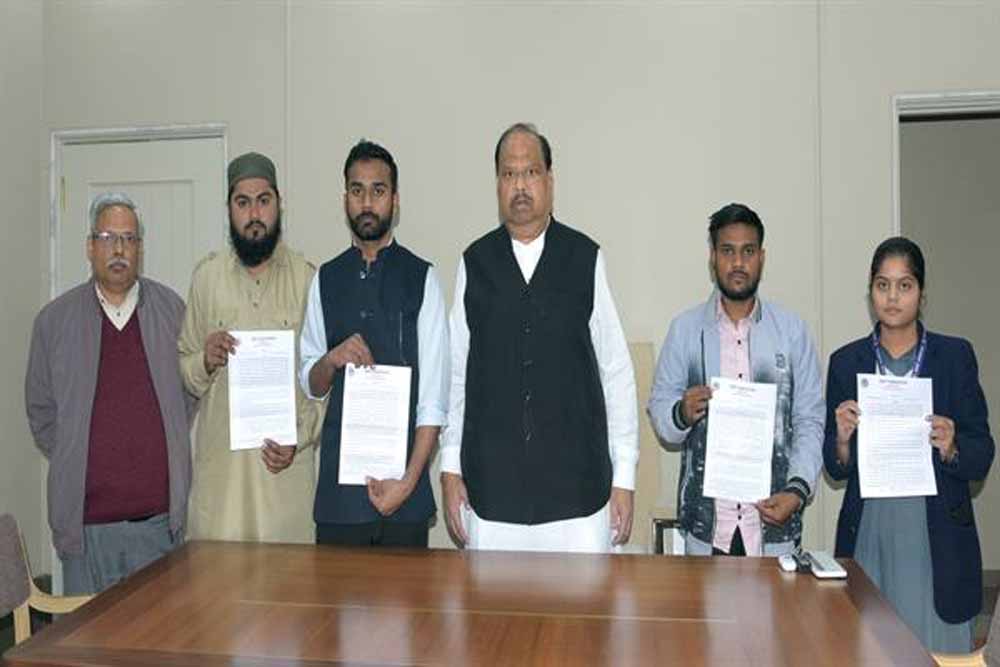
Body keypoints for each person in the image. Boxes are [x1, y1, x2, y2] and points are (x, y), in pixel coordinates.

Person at [440, 122, 638, 552]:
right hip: (493, 497)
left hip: (578, 499)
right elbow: (455, 374)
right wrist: (450, 467)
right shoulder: (475, 263)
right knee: (491, 600)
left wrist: (624, 475)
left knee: (586, 600)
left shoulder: (585, 258)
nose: (520, 186)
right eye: (508, 174)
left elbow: (616, 370)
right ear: (497, 184)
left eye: (530, 172)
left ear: (550, 179)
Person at [824, 236, 994, 653]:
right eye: (883, 285)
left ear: (921, 293)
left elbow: (982, 452)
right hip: (871, 531)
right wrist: (842, 439)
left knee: (936, 654)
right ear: (870, 292)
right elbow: (835, 465)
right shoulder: (846, 362)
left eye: (905, 285)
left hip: (934, 538)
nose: (893, 297)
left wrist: (952, 446)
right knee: (870, 650)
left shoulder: (954, 357)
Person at [25, 192, 194, 594]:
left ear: (140, 249)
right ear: (90, 247)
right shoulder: (54, 322)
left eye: (129, 239)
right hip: (85, 533)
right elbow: (41, 412)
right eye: (107, 238)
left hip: (157, 529)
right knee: (88, 635)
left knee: (157, 634)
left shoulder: (172, 312)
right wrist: (75, 453)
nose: (119, 249)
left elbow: (187, 397)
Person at [647, 203, 824, 557]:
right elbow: (661, 413)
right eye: (727, 251)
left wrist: (797, 490)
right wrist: (681, 412)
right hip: (707, 530)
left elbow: (810, 419)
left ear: (762, 257)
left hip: (774, 530)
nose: (738, 262)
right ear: (713, 258)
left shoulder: (792, 332)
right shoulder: (685, 331)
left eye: (748, 251)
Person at [299, 140, 448, 547]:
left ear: (395, 201)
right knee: (333, 593)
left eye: (378, 191)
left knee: (408, 594)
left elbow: (433, 402)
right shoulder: (325, 279)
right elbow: (311, 384)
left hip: (404, 499)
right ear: (345, 198)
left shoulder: (422, 279)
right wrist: (331, 359)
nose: (367, 202)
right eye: (357, 190)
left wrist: (408, 483)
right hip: (339, 504)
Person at [178, 152, 322, 543]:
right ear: (229, 209)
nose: (254, 214)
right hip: (222, 493)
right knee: (215, 583)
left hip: (284, 489)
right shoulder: (206, 278)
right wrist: (205, 360)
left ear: (279, 205)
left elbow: (324, 385)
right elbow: (185, 370)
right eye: (243, 202)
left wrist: (299, 436)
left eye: (263, 200)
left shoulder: (308, 281)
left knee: (290, 583)